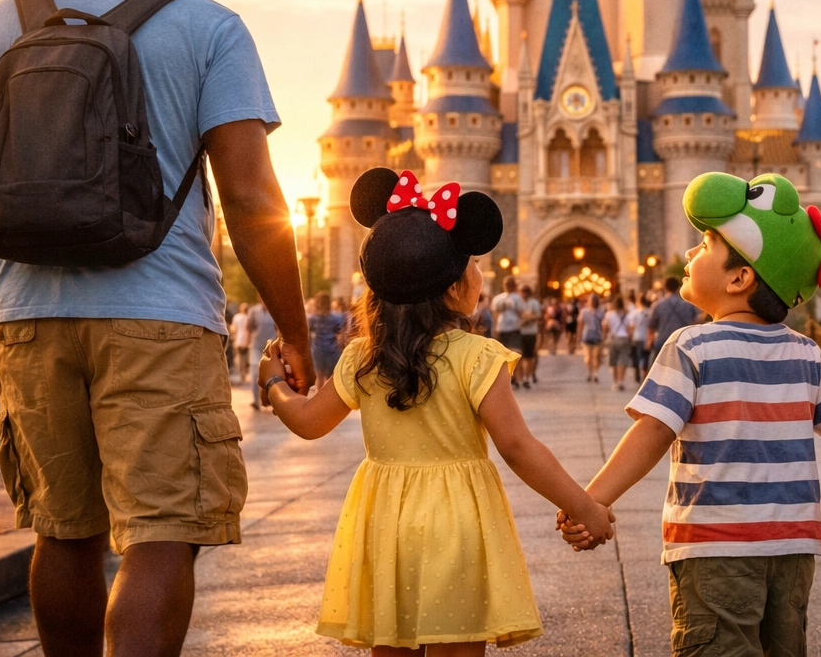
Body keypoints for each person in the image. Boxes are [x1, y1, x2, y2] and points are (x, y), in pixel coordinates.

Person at [0, 0, 314, 657]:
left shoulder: (0, 20)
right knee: (161, 538)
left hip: (28, 320)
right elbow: (249, 200)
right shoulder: (210, 28)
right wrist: (296, 332)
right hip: (160, 315)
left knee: (61, 534)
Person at [259, 167, 613, 651]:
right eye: (474, 265)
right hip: (457, 524)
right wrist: (583, 507)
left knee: (391, 644)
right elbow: (518, 447)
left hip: (384, 523)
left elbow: (306, 421)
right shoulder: (476, 355)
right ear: (454, 288)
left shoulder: (364, 357)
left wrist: (274, 382)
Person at [559, 172, 821, 654]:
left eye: (704, 245)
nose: (689, 254)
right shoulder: (806, 354)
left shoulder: (691, 346)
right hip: (791, 550)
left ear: (740, 278)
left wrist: (591, 502)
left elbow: (652, 433)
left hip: (714, 547)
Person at [646, 277, 701, 367]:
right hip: (683, 341)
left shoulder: (658, 305)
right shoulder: (688, 305)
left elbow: (651, 326)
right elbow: (694, 322)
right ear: (678, 287)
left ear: (665, 287)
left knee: (658, 369)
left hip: (663, 340)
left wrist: (649, 342)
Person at [307, 291, 346, 384]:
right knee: (322, 376)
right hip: (322, 349)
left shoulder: (335, 317)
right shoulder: (313, 318)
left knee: (327, 376)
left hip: (328, 349)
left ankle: (323, 396)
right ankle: (322, 396)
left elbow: (340, 332)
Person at [492, 277, 524, 383]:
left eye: (510, 284)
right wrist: (495, 327)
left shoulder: (518, 298)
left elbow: (521, 313)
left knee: (516, 353)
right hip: (502, 329)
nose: (508, 286)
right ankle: (507, 379)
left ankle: (517, 377)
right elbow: (495, 314)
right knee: (502, 357)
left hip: (514, 329)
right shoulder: (498, 299)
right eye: (506, 283)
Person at [248, 302, 277, 410]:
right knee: (255, 373)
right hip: (256, 346)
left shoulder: (276, 310)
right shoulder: (254, 311)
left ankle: (274, 402)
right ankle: (256, 401)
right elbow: (249, 327)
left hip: (271, 347)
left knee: (273, 375)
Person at [603, 295, 633, 391]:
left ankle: (615, 382)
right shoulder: (627, 315)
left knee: (613, 361)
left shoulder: (609, 314)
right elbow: (629, 329)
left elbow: (605, 328)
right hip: (624, 338)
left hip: (613, 339)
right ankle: (621, 381)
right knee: (623, 361)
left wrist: (604, 337)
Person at [517, 284, 543, 387]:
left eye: (526, 292)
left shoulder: (534, 303)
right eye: (522, 291)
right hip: (519, 331)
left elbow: (538, 315)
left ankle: (527, 378)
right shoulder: (518, 302)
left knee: (529, 356)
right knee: (519, 356)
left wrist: (529, 317)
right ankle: (519, 378)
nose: (524, 294)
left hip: (530, 332)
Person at [579, 294, 605, 382]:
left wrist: (604, 336)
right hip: (587, 336)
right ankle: (589, 372)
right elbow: (580, 324)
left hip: (598, 336)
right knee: (588, 357)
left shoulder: (601, 312)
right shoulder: (584, 312)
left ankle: (595, 373)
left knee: (597, 356)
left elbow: (604, 325)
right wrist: (578, 337)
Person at [626, 290, 650, 382]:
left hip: (637, 337)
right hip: (646, 337)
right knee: (646, 357)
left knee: (637, 357)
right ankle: (645, 374)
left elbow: (631, 326)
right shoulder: (649, 312)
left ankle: (637, 375)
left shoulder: (635, 313)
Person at [229, 303, 252, 384]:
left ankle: (240, 374)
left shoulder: (237, 317)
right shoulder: (249, 317)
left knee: (238, 358)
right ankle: (243, 374)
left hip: (238, 340)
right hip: (247, 341)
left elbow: (233, 329)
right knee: (245, 358)